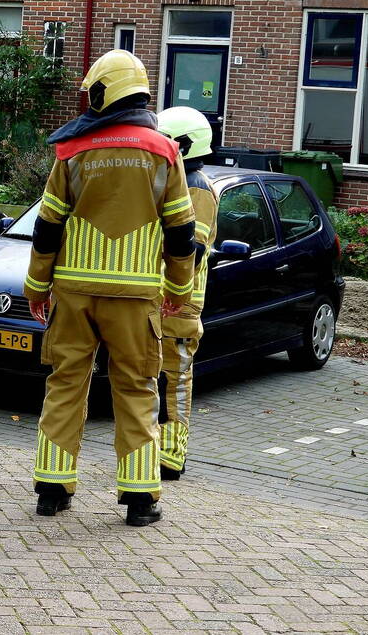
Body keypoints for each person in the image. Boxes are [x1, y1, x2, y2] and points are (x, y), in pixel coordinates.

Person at [23, 49, 196, 526]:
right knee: (138, 388)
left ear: (106, 91)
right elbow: (182, 232)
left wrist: (37, 286)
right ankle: (141, 499)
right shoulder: (165, 152)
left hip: (74, 292)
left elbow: (47, 227)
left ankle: (52, 490)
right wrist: (179, 288)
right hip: (137, 296)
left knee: (65, 384)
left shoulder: (73, 151)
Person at [155, 106, 218, 481]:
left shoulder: (196, 187)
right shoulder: (180, 182)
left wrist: (171, 292)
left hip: (179, 302)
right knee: (154, 378)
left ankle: (172, 456)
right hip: (164, 298)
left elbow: (191, 249)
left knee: (174, 379)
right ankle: (153, 449)